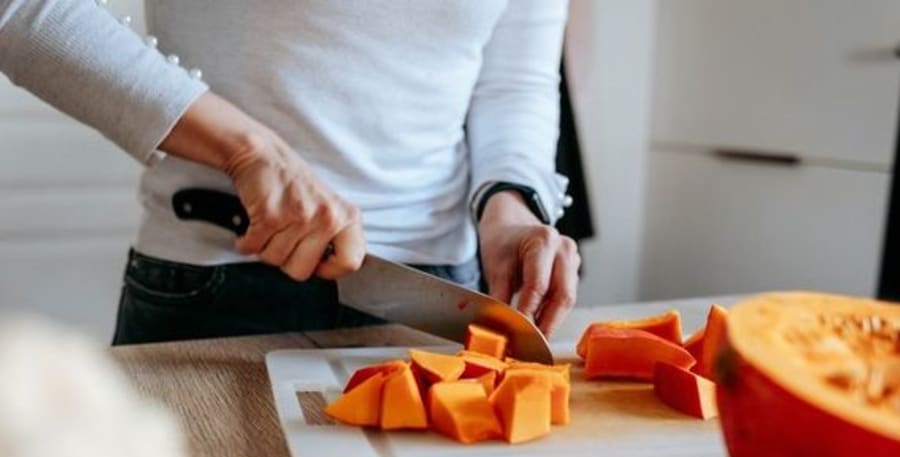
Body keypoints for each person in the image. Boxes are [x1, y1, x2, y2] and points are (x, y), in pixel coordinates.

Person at [0, 0, 580, 345]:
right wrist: (247, 150)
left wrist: (510, 207)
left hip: (442, 299)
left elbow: (515, 84)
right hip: (219, 288)